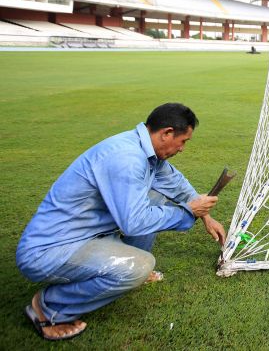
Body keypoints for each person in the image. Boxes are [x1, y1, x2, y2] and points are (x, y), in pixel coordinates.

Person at [16, 103, 226, 341]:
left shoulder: (145, 151)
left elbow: (174, 182)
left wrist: (205, 215)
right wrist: (187, 213)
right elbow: (134, 223)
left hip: (85, 234)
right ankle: (48, 308)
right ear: (167, 133)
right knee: (139, 265)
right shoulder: (126, 158)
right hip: (49, 250)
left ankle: (127, 264)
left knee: (154, 196)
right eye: (184, 141)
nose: (182, 149)